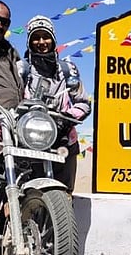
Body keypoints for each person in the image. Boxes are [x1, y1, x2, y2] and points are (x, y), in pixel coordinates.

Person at [17, 15, 91, 192]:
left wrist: (67, 118)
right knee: (24, 193)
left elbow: (84, 102)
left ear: (53, 39)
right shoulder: (21, 68)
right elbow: (11, 100)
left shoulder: (68, 69)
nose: (41, 42)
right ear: (29, 41)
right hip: (27, 143)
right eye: (36, 37)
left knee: (64, 194)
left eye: (46, 36)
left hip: (64, 142)